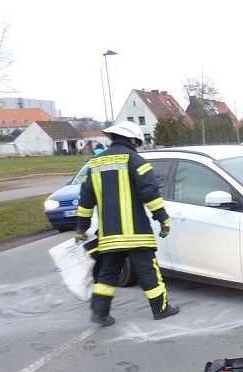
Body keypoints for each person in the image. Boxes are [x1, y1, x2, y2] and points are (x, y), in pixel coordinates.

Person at [75, 121, 179, 326]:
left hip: (109, 236)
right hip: (136, 233)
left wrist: (81, 227)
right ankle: (161, 309)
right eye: (137, 142)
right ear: (132, 139)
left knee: (107, 274)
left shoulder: (95, 164)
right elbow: (150, 194)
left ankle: (100, 314)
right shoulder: (136, 161)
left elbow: (86, 200)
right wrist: (162, 219)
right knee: (148, 271)